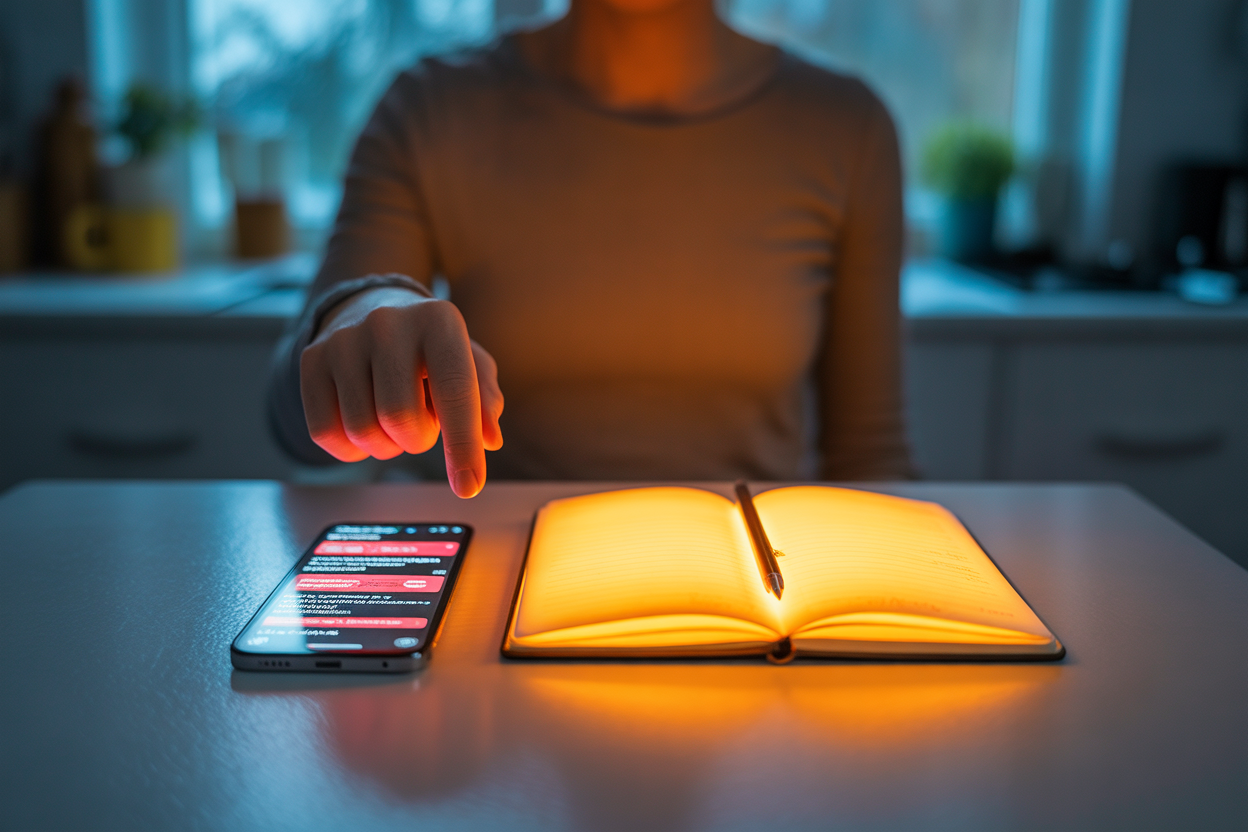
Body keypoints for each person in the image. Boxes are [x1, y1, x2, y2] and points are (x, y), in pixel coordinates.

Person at [269, 0, 912, 498]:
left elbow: (869, 453)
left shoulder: (847, 129)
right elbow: (293, 418)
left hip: (752, 579)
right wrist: (362, 315)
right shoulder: (431, 108)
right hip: (493, 571)